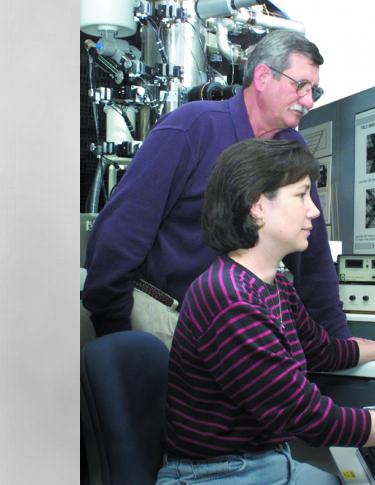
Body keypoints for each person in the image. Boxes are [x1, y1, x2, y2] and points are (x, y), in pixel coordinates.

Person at [155, 139, 375, 484]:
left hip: (268, 461)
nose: (314, 211)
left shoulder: (272, 283)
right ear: (257, 205)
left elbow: (325, 351)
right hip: (218, 475)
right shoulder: (232, 301)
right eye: (301, 194)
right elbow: (317, 422)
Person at [82, 30, 350, 348]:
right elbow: (118, 235)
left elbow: (313, 257)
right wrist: (117, 338)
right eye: (300, 86)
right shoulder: (192, 127)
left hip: (227, 328)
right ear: (263, 76)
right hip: (163, 323)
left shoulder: (291, 148)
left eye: (314, 91)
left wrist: (338, 343)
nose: (308, 101)